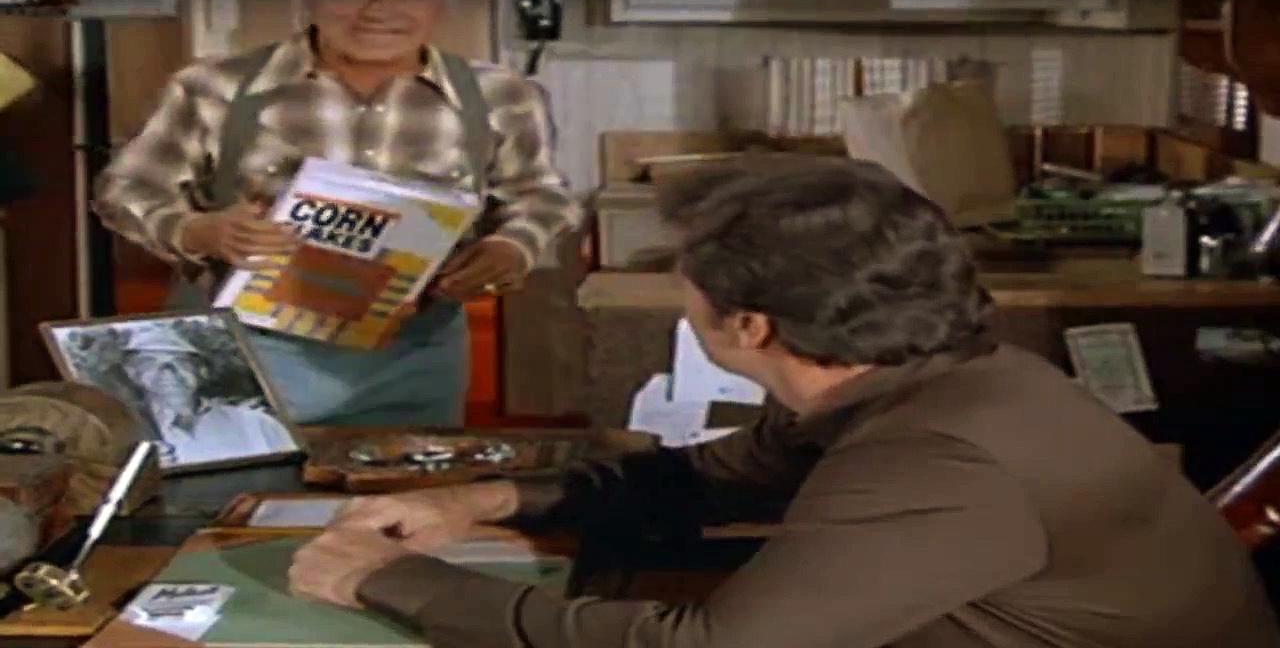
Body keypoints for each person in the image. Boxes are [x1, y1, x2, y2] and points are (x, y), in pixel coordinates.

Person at [289, 155, 1280, 647]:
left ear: (747, 326)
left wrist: (385, 582)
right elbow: (709, 478)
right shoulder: (934, 375)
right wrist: (481, 501)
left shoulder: (937, 457)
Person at [93, 0, 580, 426]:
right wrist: (198, 231)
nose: (379, 9)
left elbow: (539, 196)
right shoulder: (214, 87)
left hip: (416, 357)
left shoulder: (501, 95)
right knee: (234, 475)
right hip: (241, 345)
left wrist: (512, 246)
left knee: (405, 478)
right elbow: (127, 189)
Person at [119, 327, 294, 468]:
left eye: (180, 361)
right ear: (133, 373)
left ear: (201, 370)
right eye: (150, 363)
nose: (168, 373)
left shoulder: (257, 424)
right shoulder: (122, 436)